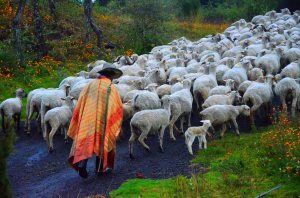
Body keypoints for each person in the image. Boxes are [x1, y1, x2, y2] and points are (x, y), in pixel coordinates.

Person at [67, 63, 123, 178]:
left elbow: (81, 102)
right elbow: (117, 108)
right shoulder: (111, 88)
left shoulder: (89, 85)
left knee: (87, 141)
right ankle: (100, 169)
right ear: (111, 75)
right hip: (104, 120)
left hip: (88, 119)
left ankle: (82, 165)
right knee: (103, 140)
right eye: (113, 76)